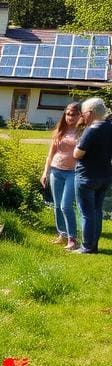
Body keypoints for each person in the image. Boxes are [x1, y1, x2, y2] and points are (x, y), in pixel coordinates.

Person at [40, 102, 82, 250]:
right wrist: (46, 172)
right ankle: (62, 234)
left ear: (80, 115)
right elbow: (51, 153)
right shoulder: (60, 130)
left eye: (74, 114)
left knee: (66, 206)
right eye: (68, 114)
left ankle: (72, 239)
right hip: (56, 170)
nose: (70, 117)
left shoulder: (83, 131)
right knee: (57, 206)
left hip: (73, 172)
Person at [73, 97, 112, 254]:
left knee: (86, 213)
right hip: (105, 176)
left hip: (87, 177)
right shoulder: (110, 126)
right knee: (97, 211)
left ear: (90, 113)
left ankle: (87, 247)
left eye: (83, 114)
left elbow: (78, 153)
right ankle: (93, 245)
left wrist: (77, 146)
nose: (82, 117)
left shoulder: (92, 129)